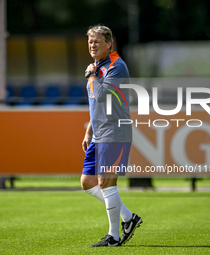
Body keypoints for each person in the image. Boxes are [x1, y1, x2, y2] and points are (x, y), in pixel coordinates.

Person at [81, 25, 142, 247]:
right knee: (88, 182)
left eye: (97, 41)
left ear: (109, 43)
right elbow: (94, 105)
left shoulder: (117, 66)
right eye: (90, 42)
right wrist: (89, 130)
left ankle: (113, 237)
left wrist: (90, 76)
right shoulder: (97, 67)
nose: (92, 45)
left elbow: (101, 96)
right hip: (99, 133)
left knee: (106, 182)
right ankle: (129, 218)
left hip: (115, 131)